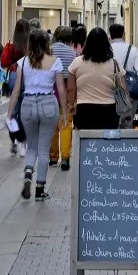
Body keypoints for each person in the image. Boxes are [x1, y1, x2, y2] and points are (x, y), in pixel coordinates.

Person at [10, 28, 66, 200]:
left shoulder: (23, 62)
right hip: (48, 103)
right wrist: (64, 111)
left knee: (31, 146)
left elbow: (16, 90)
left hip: (28, 104)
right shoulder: (55, 61)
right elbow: (61, 89)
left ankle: (28, 173)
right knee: (43, 149)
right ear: (46, 43)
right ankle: (40, 189)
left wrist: (10, 113)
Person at [69, 27, 126, 133]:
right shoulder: (115, 64)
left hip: (84, 111)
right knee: (106, 145)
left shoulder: (76, 62)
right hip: (108, 111)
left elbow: (71, 88)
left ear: (87, 43)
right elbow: (123, 89)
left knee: (85, 144)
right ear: (107, 43)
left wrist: (71, 105)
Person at [49, 26, 78, 171]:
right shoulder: (71, 54)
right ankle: (65, 157)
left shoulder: (49, 50)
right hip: (66, 90)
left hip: (51, 89)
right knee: (66, 123)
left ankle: (53, 157)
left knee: (53, 125)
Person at [0, 19, 29, 155]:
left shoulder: (11, 43)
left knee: (14, 109)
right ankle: (24, 144)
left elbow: (4, 62)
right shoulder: (30, 43)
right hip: (28, 76)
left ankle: (14, 140)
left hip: (14, 75)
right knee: (24, 111)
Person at [109, 24, 138, 115]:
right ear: (123, 34)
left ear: (110, 35)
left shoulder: (106, 49)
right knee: (127, 122)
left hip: (109, 90)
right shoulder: (132, 49)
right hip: (129, 91)